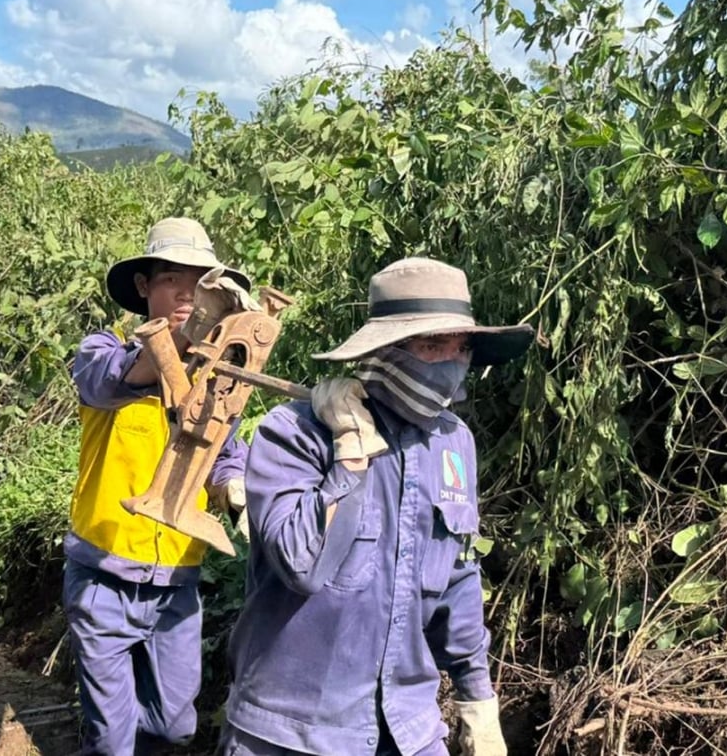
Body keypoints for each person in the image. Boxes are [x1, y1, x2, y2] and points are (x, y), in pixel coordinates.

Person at [220, 257, 534, 755]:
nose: (452, 362)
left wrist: (478, 700)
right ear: (387, 349)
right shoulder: (296, 433)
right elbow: (302, 565)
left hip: (408, 729)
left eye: (462, 346)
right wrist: (350, 451)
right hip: (292, 731)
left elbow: (457, 576)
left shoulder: (454, 443)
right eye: (433, 345)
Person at [63, 217, 252, 755]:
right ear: (144, 286)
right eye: (172, 279)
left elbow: (223, 451)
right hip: (104, 577)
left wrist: (233, 486)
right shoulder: (104, 351)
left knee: (174, 727)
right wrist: (187, 335)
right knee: (111, 740)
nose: (187, 295)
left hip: (176, 582)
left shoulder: (214, 378)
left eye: (199, 284)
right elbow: (116, 380)